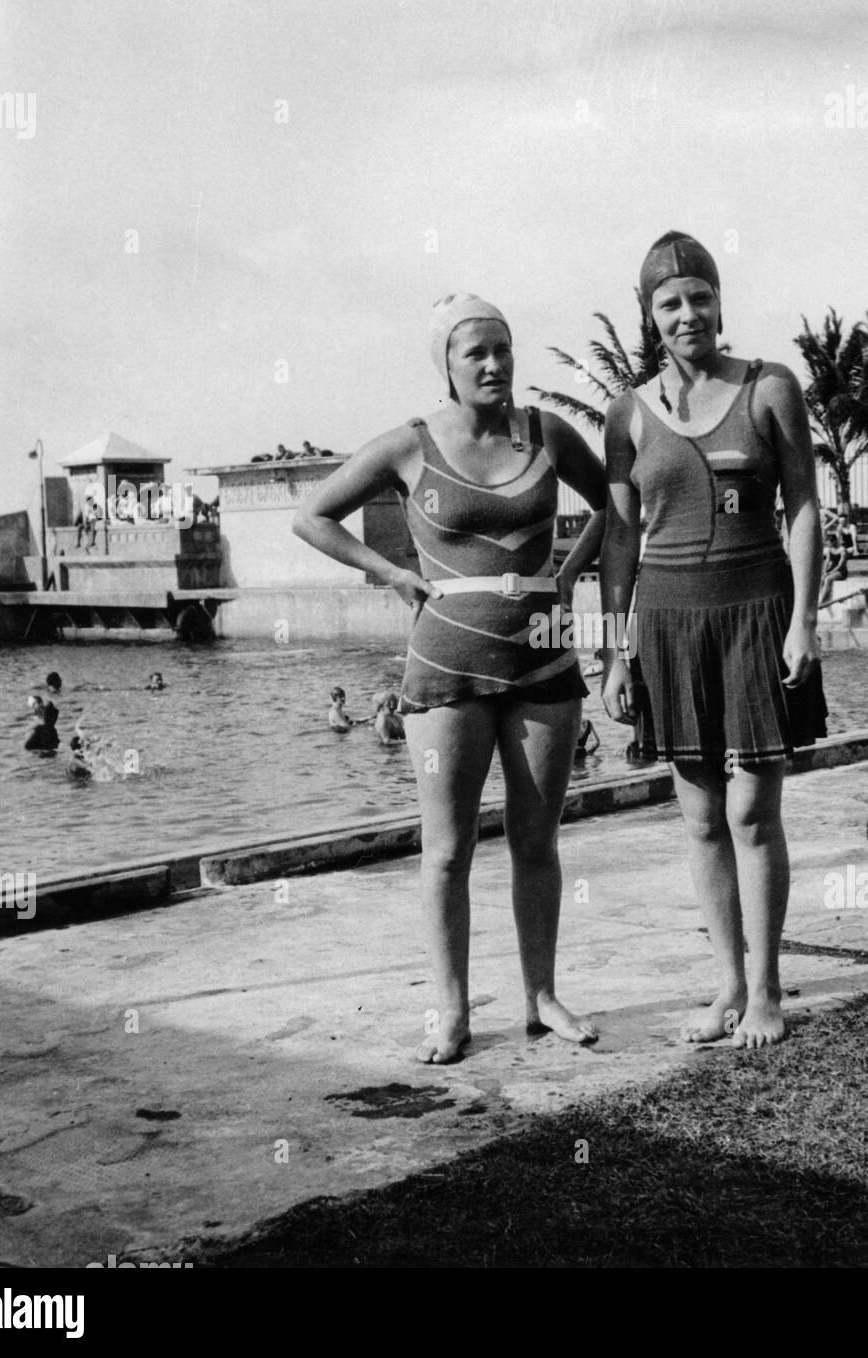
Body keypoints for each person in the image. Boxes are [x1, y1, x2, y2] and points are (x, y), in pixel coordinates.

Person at [293, 293, 608, 1064]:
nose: (496, 364)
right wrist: (389, 572)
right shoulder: (409, 444)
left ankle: (541, 998)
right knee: (446, 851)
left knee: (538, 841)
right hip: (444, 666)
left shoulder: (547, 432)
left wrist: (566, 574)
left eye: (504, 349)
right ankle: (452, 1009)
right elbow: (313, 515)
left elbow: (616, 502)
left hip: (544, 657)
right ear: (447, 364)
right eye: (477, 353)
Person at [600, 231, 826, 1050]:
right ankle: (728, 985)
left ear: (719, 302)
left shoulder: (769, 388)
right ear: (650, 317)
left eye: (700, 296)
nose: (687, 313)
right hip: (665, 621)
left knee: (752, 812)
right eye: (669, 303)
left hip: (755, 614)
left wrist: (803, 619)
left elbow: (803, 507)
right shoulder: (625, 413)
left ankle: (767, 991)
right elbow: (620, 541)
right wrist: (615, 652)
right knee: (698, 821)